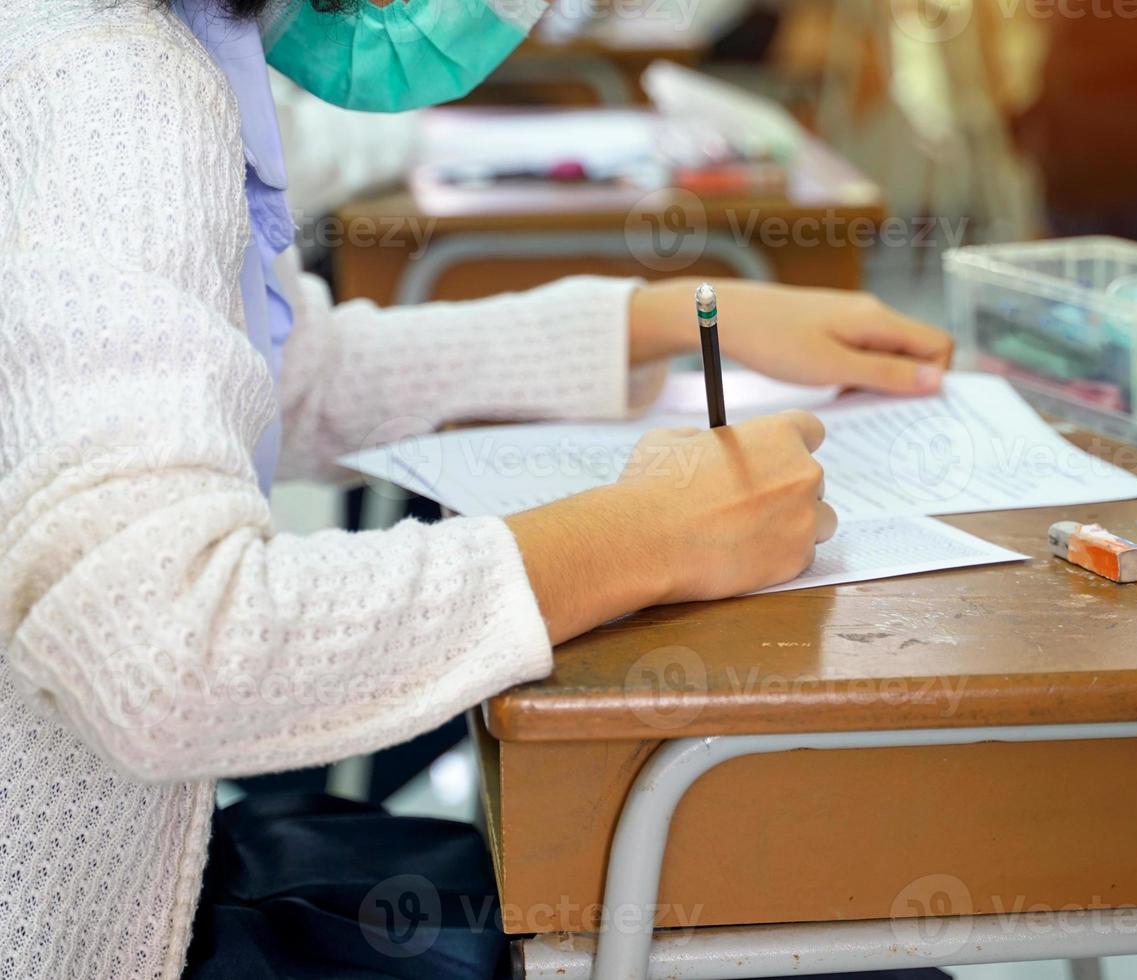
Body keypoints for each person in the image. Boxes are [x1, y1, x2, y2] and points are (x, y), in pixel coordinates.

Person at [0, 0, 954, 975]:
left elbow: (292, 374)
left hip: (154, 876)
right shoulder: (108, 78)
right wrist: (639, 535)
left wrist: (664, 316)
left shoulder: (130, 44)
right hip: (119, 933)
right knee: (837, 939)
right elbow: (165, 643)